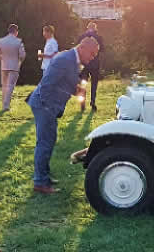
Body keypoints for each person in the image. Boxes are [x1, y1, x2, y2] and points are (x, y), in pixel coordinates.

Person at [27, 37, 100, 194]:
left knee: (48, 141)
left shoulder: (72, 60)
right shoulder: (66, 59)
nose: (92, 57)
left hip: (48, 106)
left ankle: (44, 177)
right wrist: (47, 107)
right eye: (92, 53)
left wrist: (77, 90)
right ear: (82, 48)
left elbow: (64, 82)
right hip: (44, 105)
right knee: (45, 144)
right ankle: (40, 182)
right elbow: (47, 83)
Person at [0, 23, 26, 111]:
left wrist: (2, 57)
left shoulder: (1, 40)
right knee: (10, 86)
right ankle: (6, 105)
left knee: (4, 85)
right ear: (16, 32)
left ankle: (4, 103)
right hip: (14, 66)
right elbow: (22, 55)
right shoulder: (18, 41)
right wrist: (19, 62)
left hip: (4, 66)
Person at [77, 22, 105, 112]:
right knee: (94, 84)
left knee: (83, 83)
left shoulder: (82, 37)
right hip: (95, 64)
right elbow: (103, 49)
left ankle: (82, 103)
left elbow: (78, 48)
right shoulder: (99, 38)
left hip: (84, 64)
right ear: (95, 28)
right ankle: (92, 101)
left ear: (87, 28)